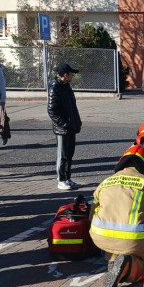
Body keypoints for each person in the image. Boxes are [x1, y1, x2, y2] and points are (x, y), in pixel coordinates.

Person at [90, 144, 144, 287]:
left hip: (99, 238)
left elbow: (91, 214)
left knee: (118, 247)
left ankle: (114, 259)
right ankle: (130, 268)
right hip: (134, 241)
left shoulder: (105, 182)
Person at [47, 62, 82, 191]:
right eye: (71, 74)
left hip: (71, 126)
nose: (73, 76)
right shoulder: (55, 88)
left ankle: (68, 178)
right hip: (62, 129)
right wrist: (64, 124)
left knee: (70, 154)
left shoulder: (67, 87)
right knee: (62, 155)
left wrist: (77, 122)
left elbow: (73, 107)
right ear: (65, 75)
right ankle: (61, 180)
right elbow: (52, 110)